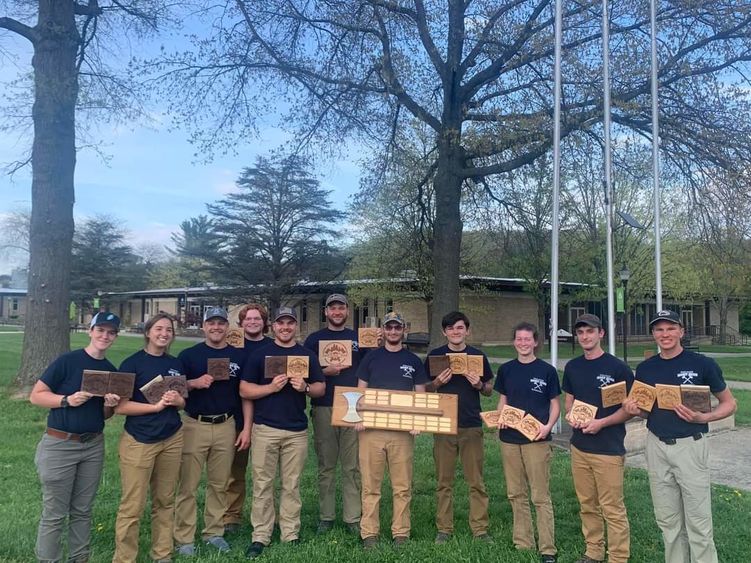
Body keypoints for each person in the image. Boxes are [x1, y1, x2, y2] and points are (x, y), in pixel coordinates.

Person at [624, 310, 736, 563]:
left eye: (670, 328)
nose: (665, 334)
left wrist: (703, 418)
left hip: (690, 446)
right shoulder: (645, 368)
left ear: (681, 332)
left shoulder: (702, 364)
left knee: (698, 521)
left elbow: (729, 404)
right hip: (656, 446)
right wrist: (634, 410)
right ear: (653, 334)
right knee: (667, 520)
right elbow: (645, 410)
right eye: (659, 329)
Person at [29, 312, 123, 563]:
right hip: (60, 444)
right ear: (89, 331)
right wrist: (66, 400)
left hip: (92, 445)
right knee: (55, 513)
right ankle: (49, 560)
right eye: (100, 330)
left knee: (83, 510)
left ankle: (79, 559)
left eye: (111, 332)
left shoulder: (109, 370)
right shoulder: (67, 361)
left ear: (115, 337)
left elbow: (104, 414)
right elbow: (36, 395)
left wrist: (110, 405)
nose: (105, 335)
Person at [241, 306, 325, 559]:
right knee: (263, 484)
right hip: (265, 428)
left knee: (291, 485)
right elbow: (244, 390)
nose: (285, 327)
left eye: (290, 323)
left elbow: (321, 388)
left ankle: (290, 533)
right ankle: (261, 535)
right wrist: (270, 388)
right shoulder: (260, 355)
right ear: (273, 327)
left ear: (295, 326)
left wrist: (306, 388)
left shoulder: (306, 355)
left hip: (296, 431)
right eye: (281, 323)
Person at [173, 306, 248, 556]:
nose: (216, 327)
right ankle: (184, 538)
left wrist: (243, 426)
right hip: (195, 424)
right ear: (204, 326)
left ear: (228, 327)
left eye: (221, 323)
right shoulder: (188, 355)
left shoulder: (238, 356)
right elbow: (171, 389)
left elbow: (244, 394)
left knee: (219, 483)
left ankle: (214, 532)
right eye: (211, 323)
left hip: (226, 424)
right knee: (189, 484)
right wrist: (193, 383)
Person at [112, 313, 186, 563]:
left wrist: (178, 401)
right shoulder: (131, 364)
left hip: (171, 438)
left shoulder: (175, 364)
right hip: (139, 440)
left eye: (169, 330)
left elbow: (182, 402)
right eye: (159, 329)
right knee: (132, 507)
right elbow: (120, 407)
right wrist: (153, 408)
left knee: (165, 501)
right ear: (148, 332)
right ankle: (124, 558)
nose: (164, 333)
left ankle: (163, 554)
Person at [562, 313, 633, 563]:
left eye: (590, 331)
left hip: (608, 448)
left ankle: (617, 557)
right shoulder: (572, 366)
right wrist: (570, 416)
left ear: (601, 333)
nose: (585, 337)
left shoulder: (618, 368)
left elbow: (629, 409)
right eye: (580, 332)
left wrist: (601, 422)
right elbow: (568, 401)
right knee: (587, 504)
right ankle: (593, 551)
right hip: (579, 447)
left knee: (612, 507)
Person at [355, 311, 428, 549]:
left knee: (402, 485)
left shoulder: (414, 360)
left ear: (403, 330)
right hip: (372, 432)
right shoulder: (371, 358)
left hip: (401, 432)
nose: (394, 331)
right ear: (384, 331)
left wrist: (418, 422)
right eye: (389, 328)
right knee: (370, 485)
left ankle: (401, 532)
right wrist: (359, 417)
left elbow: (421, 396)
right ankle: (369, 533)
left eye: (397, 328)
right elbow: (360, 393)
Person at [494, 322, 560, 563]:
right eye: (519, 339)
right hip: (509, 439)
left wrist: (548, 426)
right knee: (515, 493)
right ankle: (523, 542)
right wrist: (499, 415)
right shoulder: (507, 370)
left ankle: (547, 548)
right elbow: (503, 399)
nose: (523, 343)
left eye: (527, 339)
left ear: (535, 342)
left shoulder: (547, 371)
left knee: (540, 495)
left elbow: (555, 404)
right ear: (514, 342)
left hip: (537, 440)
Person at [425, 311, 493, 543]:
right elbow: (423, 388)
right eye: (451, 328)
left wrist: (479, 384)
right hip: (443, 423)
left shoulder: (477, 356)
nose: (456, 331)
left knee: (476, 481)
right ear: (444, 332)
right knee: (444, 482)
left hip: (470, 424)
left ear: (467, 330)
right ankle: (444, 528)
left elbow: (489, 390)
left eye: (460, 327)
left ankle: (480, 529)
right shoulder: (435, 356)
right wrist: (437, 382)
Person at [303, 294, 363, 535]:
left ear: (347, 311)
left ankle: (353, 518)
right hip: (324, 405)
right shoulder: (314, 339)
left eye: (341, 308)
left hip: (352, 405)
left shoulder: (358, 338)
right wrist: (323, 370)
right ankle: (326, 517)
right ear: (325, 312)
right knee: (326, 465)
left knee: (352, 466)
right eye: (332, 308)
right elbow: (302, 369)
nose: (337, 312)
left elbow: (370, 367)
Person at [223, 303, 272, 534]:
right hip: (235, 416)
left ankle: (270, 516)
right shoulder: (232, 348)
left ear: (264, 322)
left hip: (268, 416)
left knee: (267, 474)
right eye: (248, 319)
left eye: (257, 318)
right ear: (241, 323)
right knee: (235, 470)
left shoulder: (273, 347)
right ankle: (232, 516)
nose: (253, 322)